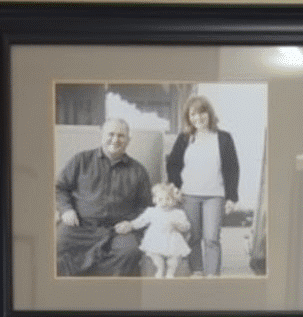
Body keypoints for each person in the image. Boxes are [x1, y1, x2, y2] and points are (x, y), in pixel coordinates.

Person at [54, 118, 153, 276]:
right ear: (102, 136)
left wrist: (131, 224)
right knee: (56, 243)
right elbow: (60, 188)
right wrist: (66, 210)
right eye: (111, 134)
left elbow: (146, 207)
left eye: (121, 136)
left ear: (128, 140)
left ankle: (104, 292)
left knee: (130, 252)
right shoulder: (81, 160)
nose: (115, 140)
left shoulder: (138, 171)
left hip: (117, 231)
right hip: (80, 226)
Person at [166, 95, 240, 277]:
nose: (198, 118)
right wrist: (176, 187)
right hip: (189, 195)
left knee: (212, 238)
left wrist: (232, 197)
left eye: (202, 113)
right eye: (193, 114)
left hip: (215, 195)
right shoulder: (185, 138)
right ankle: (197, 271)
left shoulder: (223, 138)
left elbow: (232, 168)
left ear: (209, 114)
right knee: (193, 236)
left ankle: (213, 275)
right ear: (188, 117)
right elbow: (173, 164)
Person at [129, 181, 192, 278]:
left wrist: (178, 225)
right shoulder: (152, 211)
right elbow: (141, 221)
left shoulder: (178, 213)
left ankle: (171, 271)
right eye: (160, 199)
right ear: (154, 200)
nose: (164, 202)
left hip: (172, 239)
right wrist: (131, 225)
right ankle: (160, 268)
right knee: (155, 255)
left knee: (175, 258)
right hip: (155, 238)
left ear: (175, 200)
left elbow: (186, 227)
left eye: (168, 199)